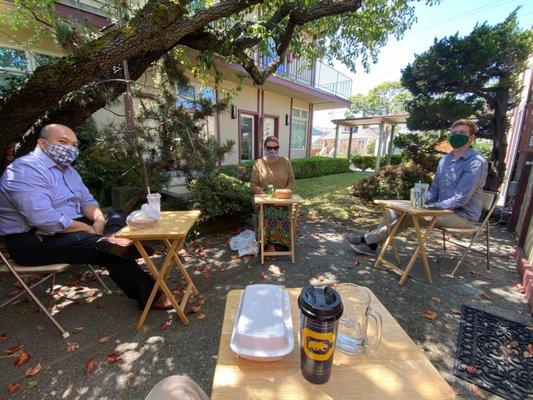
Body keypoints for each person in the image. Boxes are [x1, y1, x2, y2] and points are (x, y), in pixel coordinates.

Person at [0, 124, 176, 310]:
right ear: (42, 144)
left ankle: (111, 239)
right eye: (62, 142)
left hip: (72, 230)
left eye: (74, 145)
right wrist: (87, 228)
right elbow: (43, 219)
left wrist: (99, 219)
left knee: (118, 214)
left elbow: (87, 201)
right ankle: (151, 296)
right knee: (109, 254)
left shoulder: (68, 170)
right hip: (35, 241)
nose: (69, 148)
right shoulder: (24, 171)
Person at [345, 119, 488, 255]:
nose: (457, 136)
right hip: (441, 210)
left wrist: (431, 207)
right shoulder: (445, 160)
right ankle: (371, 244)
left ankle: (366, 240)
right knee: (393, 211)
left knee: (410, 217)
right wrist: (421, 201)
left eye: (462, 133)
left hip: (462, 216)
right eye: (453, 133)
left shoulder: (476, 162)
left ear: (471, 138)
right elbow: (435, 189)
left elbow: (461, 198)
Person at [250, 136, 295, 252]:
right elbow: (253, 184)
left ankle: (282, 242)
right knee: (270, 213)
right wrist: (266, 196)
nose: (272, 150)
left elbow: (291, 181)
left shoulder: (285, 162)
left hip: (283, 200)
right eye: (269, 147)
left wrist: (285, 194)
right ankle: (270, 244)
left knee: (284, 213)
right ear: (265, 148)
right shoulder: (259, 163)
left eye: (276, 147)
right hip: (266, 201)